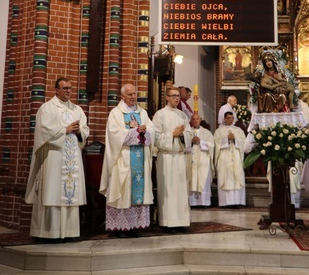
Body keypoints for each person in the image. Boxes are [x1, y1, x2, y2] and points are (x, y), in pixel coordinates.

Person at [25, 77, 89, 241]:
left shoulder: (77, 109)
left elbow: (85, 130)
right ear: (56, 90)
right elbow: (43, 131)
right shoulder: (47, 108)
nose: (68, 91)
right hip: (53, 157)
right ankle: (48, 233)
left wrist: (78, 131)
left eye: (70, 88)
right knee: (52, 191)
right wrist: (65, 130)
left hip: (72, 158)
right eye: (65, 88)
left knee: (70, 193)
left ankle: (69, 232)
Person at [99, 83, 155, 237]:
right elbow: (114, 134)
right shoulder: (116, 113)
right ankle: (120, 228)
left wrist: (145, 132)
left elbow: (152, 130)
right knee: (122, 191)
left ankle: (135, 226)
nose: (133, 97)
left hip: (140, 160)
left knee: (138, 192)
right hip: (123, 159)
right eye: (130, 94)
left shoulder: (142, 112)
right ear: (122, 96)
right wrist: (135, 131)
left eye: (134, 94)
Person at [152, 86, 193, 233]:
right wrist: (172, 134)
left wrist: (182, 136)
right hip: (166, 157)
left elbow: (190, 133)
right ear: (167, 97)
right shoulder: (160, 115)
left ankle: (180, 221)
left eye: (178, 96)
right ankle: (167, 222)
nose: (176, 98)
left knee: (180, 190)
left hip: (179, 157)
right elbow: (155, 138)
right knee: (168, 190)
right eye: (173, 95)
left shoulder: (182, 115)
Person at [214, 112, 246, 207]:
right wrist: (226, 139)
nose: (230, 120)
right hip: (224, 157)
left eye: (232, 118)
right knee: (225, 176)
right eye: (228, 118)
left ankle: (237, 201)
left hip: (236, 156)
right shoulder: (219, 131)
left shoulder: (238, 130)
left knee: (237, 176)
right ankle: (225, 202)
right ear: (224, 119)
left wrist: (235, 139)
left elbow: (243, 142)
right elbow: (215, 143)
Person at [187, 114, 215, 207]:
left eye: (197, 119)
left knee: (203, 179)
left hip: (203, 161)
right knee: (191, 179)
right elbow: (182, 145)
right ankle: (191, 202)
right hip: (191, 160)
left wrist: (201, 142)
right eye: (193, 119)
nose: (195, 121)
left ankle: (204, 202)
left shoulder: (206, 132)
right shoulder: (187, 132)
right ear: (191, 120)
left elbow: (212, 145)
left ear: (200, 120)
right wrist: (190, 142)